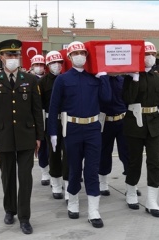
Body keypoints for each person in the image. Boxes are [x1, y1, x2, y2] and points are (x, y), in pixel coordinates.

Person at [48, 41, 111, 228]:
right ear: (69, 57)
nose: (80, 56)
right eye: (75, 53)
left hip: (93, 128)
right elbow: (54, 108)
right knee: (74, 168)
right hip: (72, 129)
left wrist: (104, 77)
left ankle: (93, 210)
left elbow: (106, 99)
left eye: (82, 52)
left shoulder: (94, 78)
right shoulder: (63, 79)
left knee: (92, 169)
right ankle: (73, 202)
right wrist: (53, 132)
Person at [0, 39, 44, 235]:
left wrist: (39, 137)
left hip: (27, 136)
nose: (13, 58)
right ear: (1, 57)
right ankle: (10, 209)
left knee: (25, 178)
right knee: (7, 176)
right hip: (4, 136)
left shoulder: (30, 79)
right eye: (9, 55)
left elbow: (37, 110)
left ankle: (25, 217)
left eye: (16, 55)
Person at [122, 41, 159, 218]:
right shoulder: (129, 77)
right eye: (146, 54)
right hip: (134, 122)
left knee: (154, 162)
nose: (149, 57)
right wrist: (134, 79)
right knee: (134, 161)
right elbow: (127, 99)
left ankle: (152, 200)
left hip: (153, 124)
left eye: (152, 54)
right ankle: (130, 191)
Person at [39, 50, 67, 200]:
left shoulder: (66, 78)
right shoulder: (42, 82)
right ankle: (56, 183)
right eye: (53, 63)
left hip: (68, 120)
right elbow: (39, 105)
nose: (57, 65)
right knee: (54, 153)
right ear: (48, 65)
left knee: (69, 153)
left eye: (59, 63)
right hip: (51, 121)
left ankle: (68, 182)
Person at [98, 74, 131, 196]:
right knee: (104, 152)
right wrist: (104, 78)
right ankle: (103, 183)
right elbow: (103, 98)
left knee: (127, 153)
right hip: (105, 121)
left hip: (122, 120)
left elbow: (127, 100)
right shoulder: (101, 79)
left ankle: (131, 185)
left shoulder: (122, 80)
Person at [31, 54, 51, 186]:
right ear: (32, 66)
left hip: (50, 115)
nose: (39, 67)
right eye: (36, 65)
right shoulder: (28, 80)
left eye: (41, 65)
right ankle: (44, 171)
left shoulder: (49, 79)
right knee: (41, 145)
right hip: (37, 116)